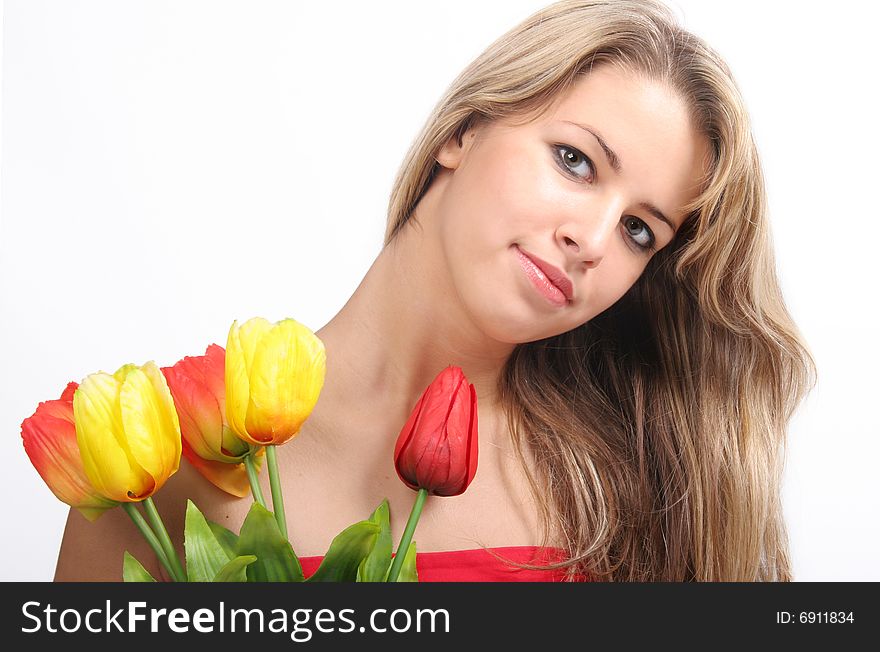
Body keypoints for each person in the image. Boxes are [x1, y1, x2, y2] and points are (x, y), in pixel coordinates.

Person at [54, 0, 815, 582]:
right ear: (464, 130)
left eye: (640, 232)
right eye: (575, 161)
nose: (593, 239)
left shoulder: (632, 484)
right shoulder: (154, 453)